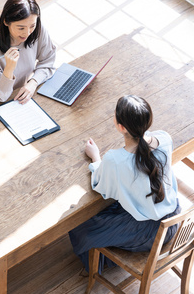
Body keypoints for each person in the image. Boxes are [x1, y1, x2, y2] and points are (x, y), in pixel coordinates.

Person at [69, 95, 181, 274]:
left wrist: (96, 157)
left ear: (121, 127)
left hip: (150, 233)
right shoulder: (165, 139)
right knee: (112, 209)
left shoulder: (116, 160)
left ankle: (101, 264)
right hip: (173, 217)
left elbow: (100, 185)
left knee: (79, 228)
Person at [0, 0, 56, 106]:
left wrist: (33, 82)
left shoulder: (38, 31)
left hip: (20, 96)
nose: (27, 33)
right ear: (6, 22)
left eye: (32, 25)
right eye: (21, 28)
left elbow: (48, 61)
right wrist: (9, 69)